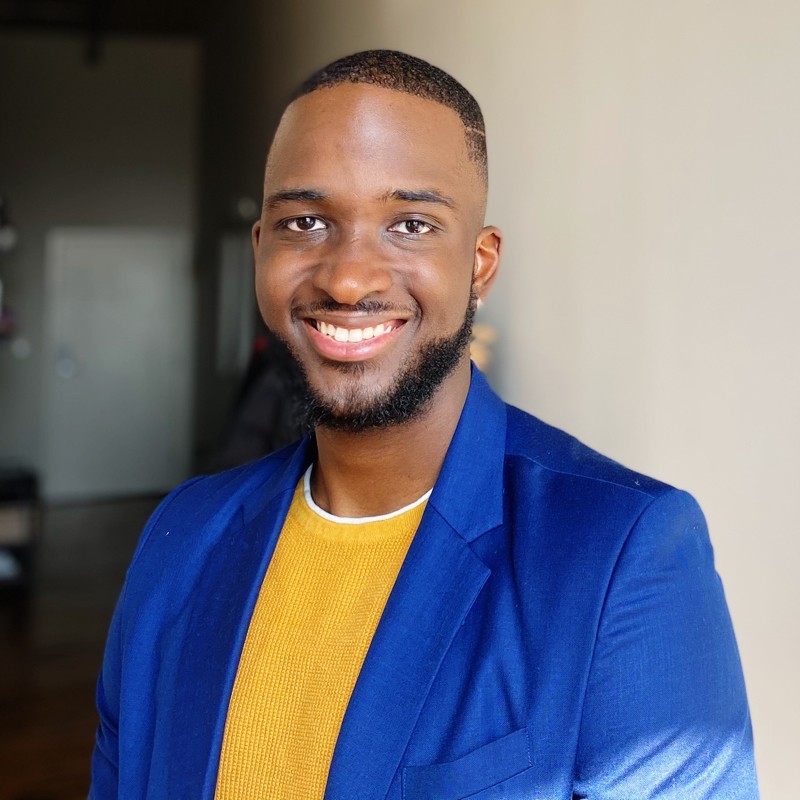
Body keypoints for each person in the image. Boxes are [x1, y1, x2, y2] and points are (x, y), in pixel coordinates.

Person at [90, 50, 758, 799]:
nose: (347, 278)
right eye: (305, 221)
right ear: (260, 251)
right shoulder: (184, 534)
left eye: (410, 224)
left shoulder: (622, 554)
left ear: (479, 263)